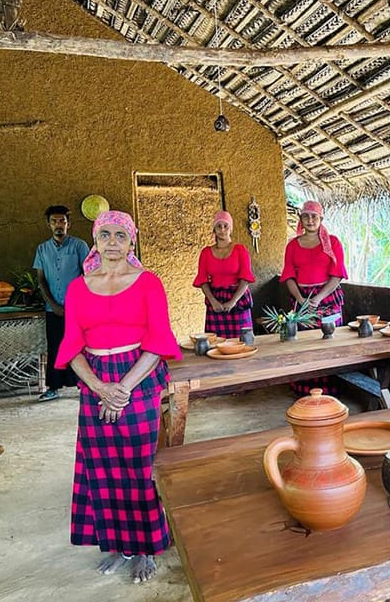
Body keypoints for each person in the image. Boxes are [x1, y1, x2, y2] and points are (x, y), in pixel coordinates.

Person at [54, 210, 182, 584]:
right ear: (95, 240)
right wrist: (99, 387)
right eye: (105, 234)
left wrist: (123, 387)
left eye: (120, 235)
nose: (113, 242)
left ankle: (145, 548)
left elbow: (159, 342)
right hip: (95, 379)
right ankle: (119, 545)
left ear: (131, 241)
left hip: (138, 375)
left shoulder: (148, 283)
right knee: (102, 467)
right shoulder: (78, 287)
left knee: (138, 466)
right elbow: (72, 346)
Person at [279, 200, 348, 394]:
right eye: (306, 216)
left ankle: (332, 388)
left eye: (314, 216)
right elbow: (288, 276)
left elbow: (337, 275)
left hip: (327, 299)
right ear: (300, 219)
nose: (310, 220)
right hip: (301, 300)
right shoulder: (292, 246)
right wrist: (301, 300)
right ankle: (305, 388)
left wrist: (318, 298)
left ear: (321, 219)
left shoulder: (332, 242)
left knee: (329, 341)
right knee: (305, 343)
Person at [33, 205, 90, 402]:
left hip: (77, 308)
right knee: (55, 347)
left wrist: (77, 304)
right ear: (48, 225)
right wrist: (54, 305)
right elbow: (41, 279)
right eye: (54, 221)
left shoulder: (79, 246)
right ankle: (53, 387)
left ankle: (84, 386)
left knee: (79, 346)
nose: (59, 225)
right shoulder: (42, 249)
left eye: (62, 221)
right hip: (53, 309)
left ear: (68, 224)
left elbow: (88, 275)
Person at [193, 210, 255, 338]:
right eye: (218, 226)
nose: (222, 229)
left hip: (238, 299)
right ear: (214, 229)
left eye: (225, 226)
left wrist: (233, 301)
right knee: (216, 342)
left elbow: (245, 279)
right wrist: (213, 301)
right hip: (216, 299)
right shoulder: (206, 253)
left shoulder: (240, 250)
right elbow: (203, 280)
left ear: (231, 228)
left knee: (242, 340)